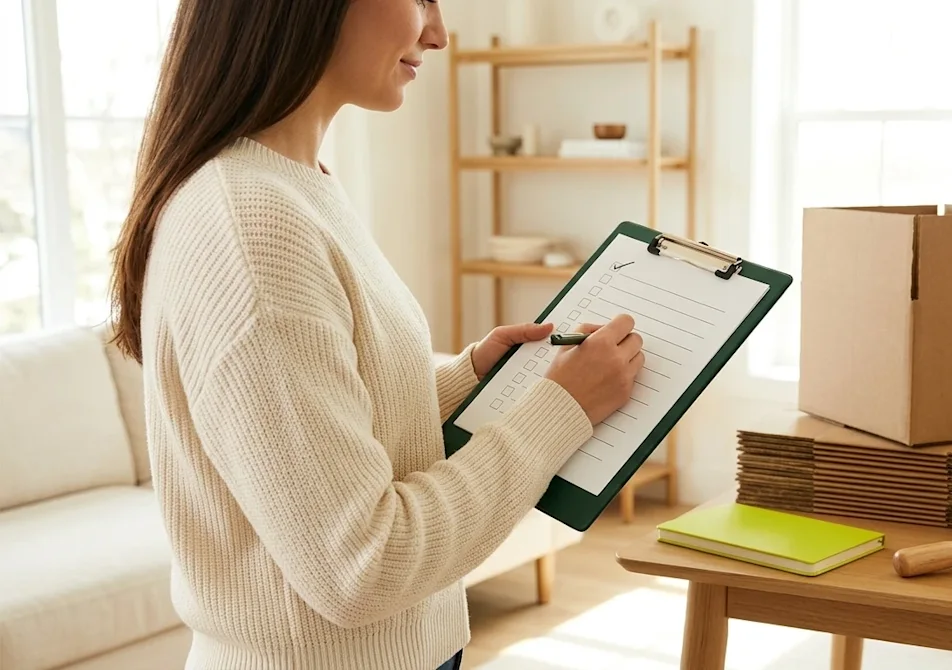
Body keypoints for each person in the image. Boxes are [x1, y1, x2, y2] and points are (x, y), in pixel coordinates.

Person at [106, 1, 645, 668]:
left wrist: (469, 379)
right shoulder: (254, 224)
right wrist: (559, 410)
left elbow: (327, 432)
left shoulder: (295, 187)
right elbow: (361, 566)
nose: (439, 33)